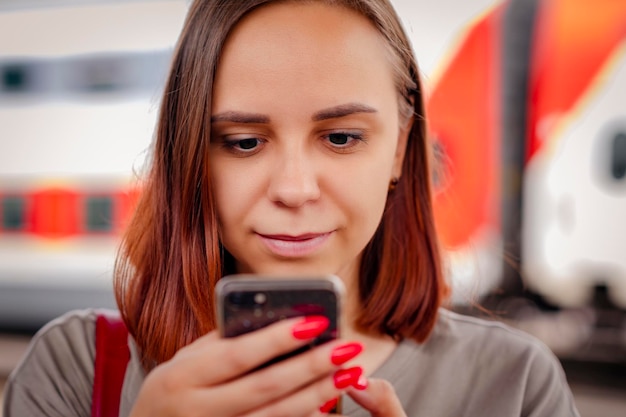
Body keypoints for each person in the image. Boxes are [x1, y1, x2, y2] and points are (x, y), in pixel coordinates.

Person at [3, 0, 581, 416]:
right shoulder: (75, 369)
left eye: (341, 138)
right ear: (191, 157)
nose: (296, 189)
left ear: (402, 149)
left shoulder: (516, 386)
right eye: (245, 143)